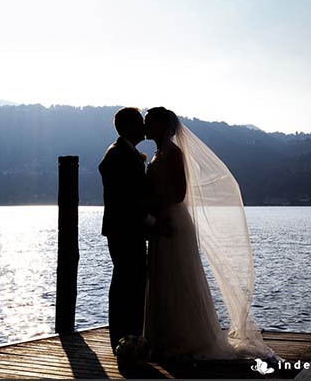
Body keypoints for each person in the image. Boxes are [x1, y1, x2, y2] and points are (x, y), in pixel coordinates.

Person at [143, 107, 279, 363]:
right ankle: (164, 336)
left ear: (162, 126)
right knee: (163, 278)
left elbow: (180, 193)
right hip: (161, 220)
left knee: (179, 277)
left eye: (149, 121)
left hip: (173, 221)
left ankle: (186, 338)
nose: (145, 125)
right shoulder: (158, 153)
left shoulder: (173, 154)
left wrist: (155, 206)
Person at [98, 107, 150, 353]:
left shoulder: (124, 152)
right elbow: (126, 198)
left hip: (126, 229)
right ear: (129, 127)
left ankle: (128, 337)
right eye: (140, 123)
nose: (143, 127)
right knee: (126, 283)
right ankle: (124, 340)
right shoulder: (118, 154)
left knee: (129, 282)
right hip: (125, 229)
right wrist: (149, 221)